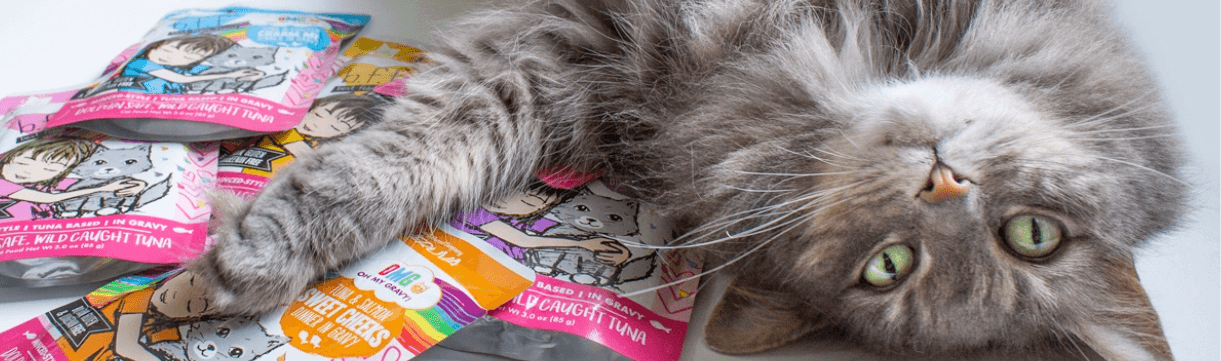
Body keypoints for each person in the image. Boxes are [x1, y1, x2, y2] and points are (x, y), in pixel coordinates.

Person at [0, 138, 144, 220]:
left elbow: (84, 183)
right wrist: (103, 189)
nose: (30, 171)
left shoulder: (44, 182)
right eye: (25, 161)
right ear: (11, 156)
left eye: (50, 170)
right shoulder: (3, 184)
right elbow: (47, 198)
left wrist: (136, 184)